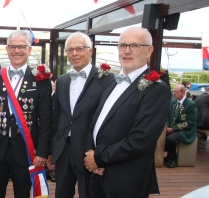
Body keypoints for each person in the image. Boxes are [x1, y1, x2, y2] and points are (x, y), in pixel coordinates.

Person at [84, 26, 171, 198]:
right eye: (122, 45)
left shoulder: (156, 89)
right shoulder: (111, 82)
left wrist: (98, 157)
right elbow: (95, 122)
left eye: (135, 46)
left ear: (149, 51)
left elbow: (141, 140)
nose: (127, 51)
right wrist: (90, 154)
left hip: (126, 180)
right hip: (97, 174)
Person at [0, 30, 52, 198]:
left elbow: (46, 120)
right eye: (13, 47)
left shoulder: (40, 80)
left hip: (26, 150)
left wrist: (41, 151)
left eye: (21, 46)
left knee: (22, 193)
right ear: (7, 49)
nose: (16, 51)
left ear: (29, 49)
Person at [48, 32, 113, 198]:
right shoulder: (62, 80)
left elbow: (108, 120)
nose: (75, 53)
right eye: (70, 50)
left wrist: (99, 153)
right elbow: (56, 118)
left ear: (90, 51)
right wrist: (51, 150)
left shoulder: (106, 80)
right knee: (61, 194)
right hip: (63, 149)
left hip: (88, 151)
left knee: (89, 194)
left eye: (79, 49)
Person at [165, 84, 197, 168]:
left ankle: (172, 159)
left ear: (183, 92)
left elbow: (190, 122)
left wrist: (173, 128)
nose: (173, 93)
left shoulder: (190, 104)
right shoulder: (173, 102)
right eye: (173, 91)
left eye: (176, 92)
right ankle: (167, 156)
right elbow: (168, 116)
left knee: (170, 139)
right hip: (171, 128)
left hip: (185, 130)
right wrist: (167, 127)